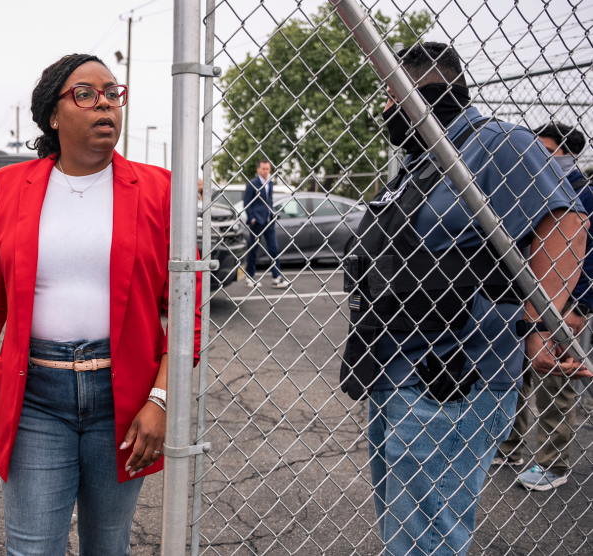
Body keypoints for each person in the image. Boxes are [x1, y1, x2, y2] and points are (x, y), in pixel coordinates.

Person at [339, 43, 588, 555]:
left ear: (418, 92)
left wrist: (544, 325)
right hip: (395, 369)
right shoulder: (423, 161)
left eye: (390, 97)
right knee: (404, 532)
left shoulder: (495, 143)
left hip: (452, 379)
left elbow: (566, 220)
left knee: (425, 539)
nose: (385, 111)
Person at [0, 54, 200, 554]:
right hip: (37, 397)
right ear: (53, 115)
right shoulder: (9, 187)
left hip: (124, 397)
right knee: (32, 547)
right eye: (85, 94)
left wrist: (161, 401)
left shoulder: (158, 189)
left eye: (112, 92)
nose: (103, 102)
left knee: (107, 547)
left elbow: (188, 309)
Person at [497, 122, 591, 491]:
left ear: (568, 155)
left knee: (555, 383)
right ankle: (509, 446)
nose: (538, 159)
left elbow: (588, 257)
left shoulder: (583, 194)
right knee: (514, 377)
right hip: (524, 302)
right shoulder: (528, 189)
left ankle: (553, 464)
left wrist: (578, 308)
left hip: (562, 304)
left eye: (548, 153)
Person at [242, 158, 288, 289]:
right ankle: (249, 276)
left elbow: (269, 201)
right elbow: (247, 202)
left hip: (269, 221)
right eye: (263, 169)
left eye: (267, 169)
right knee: (254, 250)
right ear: (258, 169)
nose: (265, 171)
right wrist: (252, 218)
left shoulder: (270, 183)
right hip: (257, 222)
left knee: (273, 249)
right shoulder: (253, 183)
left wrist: (272, 213)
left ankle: (276, 277)